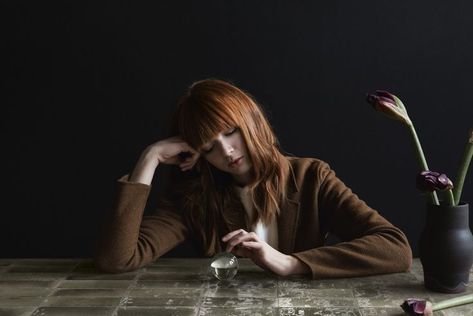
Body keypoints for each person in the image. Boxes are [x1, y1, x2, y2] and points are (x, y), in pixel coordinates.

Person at [95, 78, 412, 278]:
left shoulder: (311, 177)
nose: (227, 151)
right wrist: (149, 157)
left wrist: (289, 263)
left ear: (252, 121)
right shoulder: (194, 196)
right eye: (209, 145)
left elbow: (394, 248)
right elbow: (117, 259)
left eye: (231, 132)